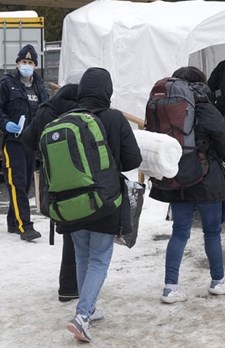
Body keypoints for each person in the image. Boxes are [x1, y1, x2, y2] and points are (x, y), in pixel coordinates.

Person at [60, 67, 142, 342]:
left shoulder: (66, 118)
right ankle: (83, 315)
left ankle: (89, 308)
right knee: (99, 258)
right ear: (107, 91)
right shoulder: (114, 118)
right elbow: (133, 160)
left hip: (71, 201)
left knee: (82, 254)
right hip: (105, 200)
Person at [150, 66, 225, 305]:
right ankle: (218, 281)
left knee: (179, 232)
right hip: (206, 177)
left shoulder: (166, 106)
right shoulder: (205, 106)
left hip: (175, 176)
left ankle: (170, 287)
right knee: (212, 231)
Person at [21, 83, 79, 301]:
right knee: (80, 234)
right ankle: (74, 286)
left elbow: (28, 139)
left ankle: (69, 286)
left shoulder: (47, 108)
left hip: (53, 178)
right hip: (79, 177)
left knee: (69, 232)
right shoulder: (80, 111)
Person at [0, 44, 49, 242]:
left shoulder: (40, 87)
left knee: (24, 181)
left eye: (30, 62)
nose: (27, 65)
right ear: (17, 63)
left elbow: (46, 110)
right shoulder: (6, 85)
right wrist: (5, 123)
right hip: (12, 140)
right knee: (17, 181)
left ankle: (13, 221)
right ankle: (25, 225)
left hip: (31, 141)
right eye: (24, 62)